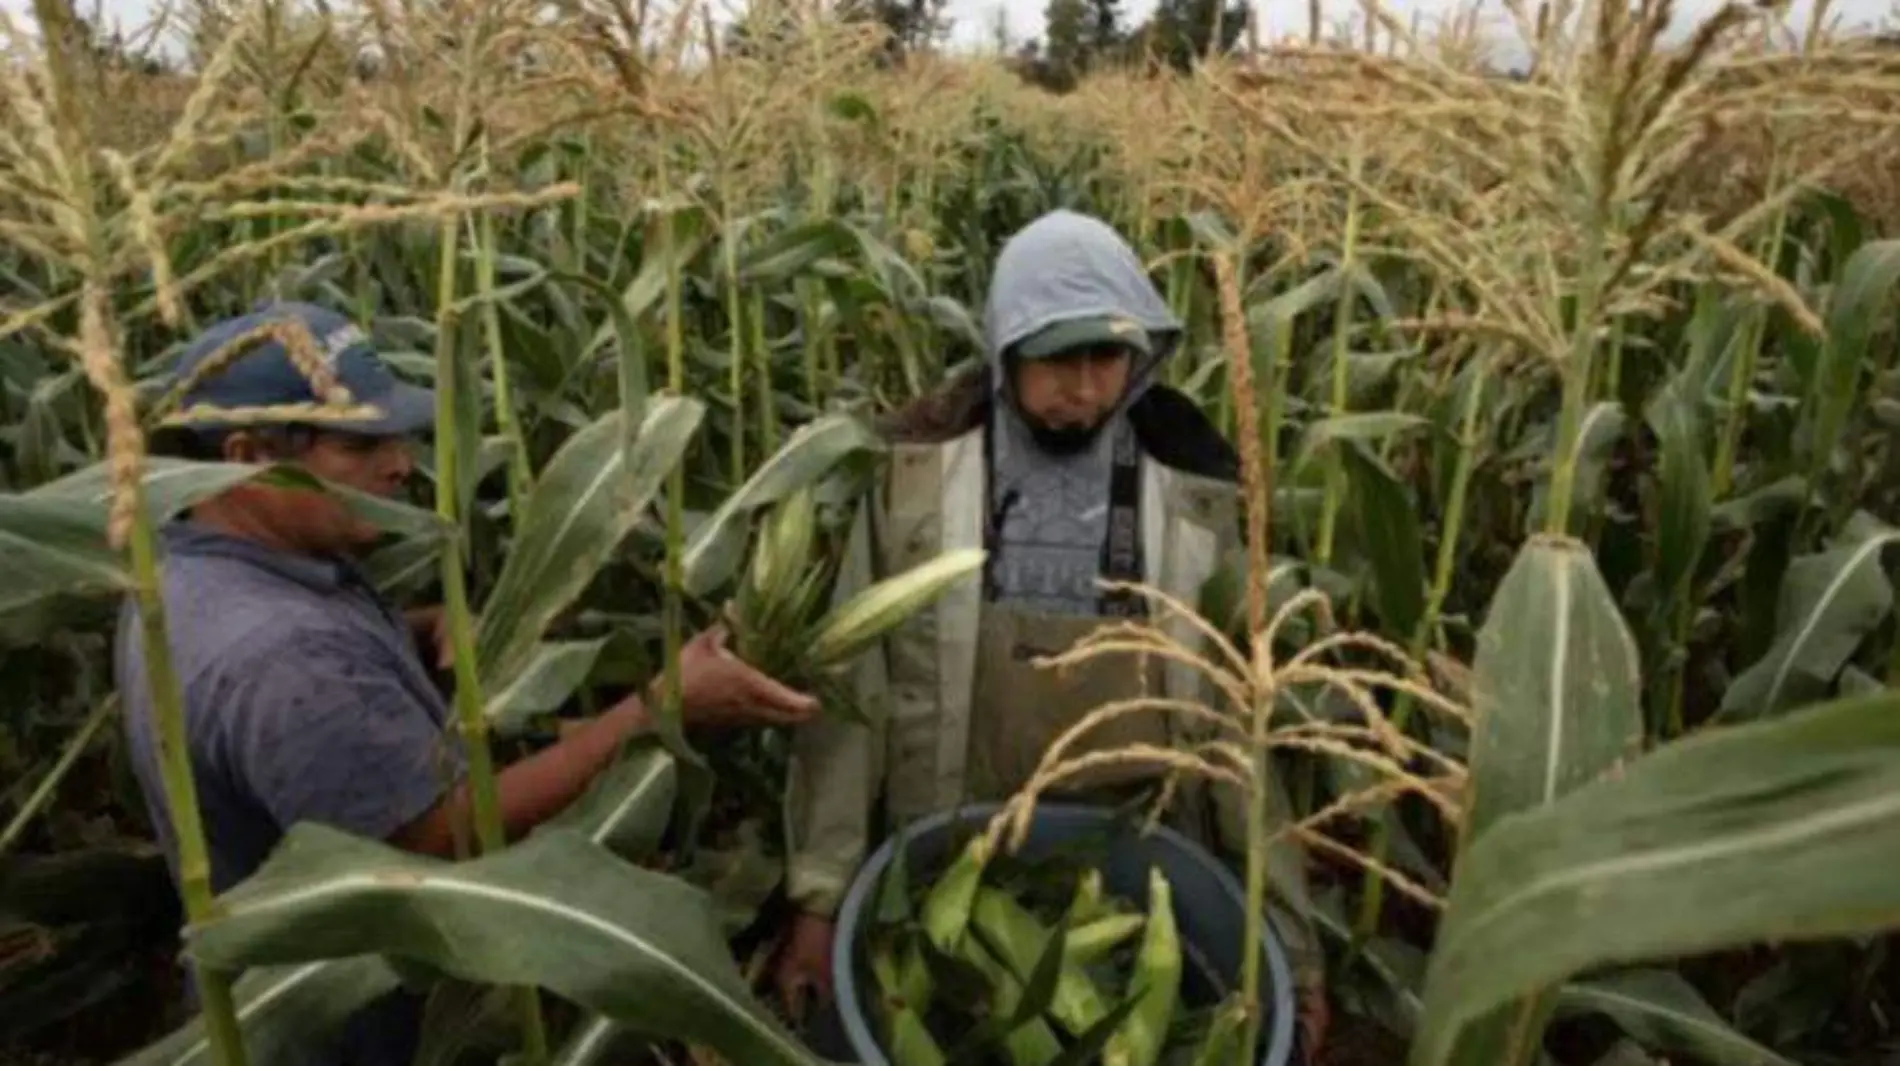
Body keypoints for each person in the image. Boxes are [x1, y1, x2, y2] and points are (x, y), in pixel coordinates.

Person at [114, 301, 818, 1066]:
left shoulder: (184, 572)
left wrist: (414, 628)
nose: (403, 464)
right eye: (365, 445)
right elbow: (438, 843)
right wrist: (661, 707)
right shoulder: (284, 656)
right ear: (249, 455)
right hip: (349, 1026)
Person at [770, 210, 1330, 1059]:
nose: (1084, 386)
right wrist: (819, 900)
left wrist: (1290, 953)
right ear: (1004, 354)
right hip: (949, 852)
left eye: (1106, 358)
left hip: (1144, 868)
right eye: (1056, 358)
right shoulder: (916, 483)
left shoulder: (1194, 495)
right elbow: (856, 699)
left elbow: (1236, 735)